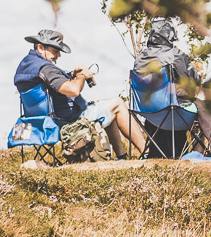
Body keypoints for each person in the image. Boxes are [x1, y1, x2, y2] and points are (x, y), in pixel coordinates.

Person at [14, 28, 146, 159]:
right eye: (55, 51)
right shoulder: (45, 67)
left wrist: (72, 74)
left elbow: (52, 82)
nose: (58, 55)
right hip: (66, 120)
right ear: (41, 47)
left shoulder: (26, 65)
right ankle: (146, 152)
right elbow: (73, 90)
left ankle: (122, 157)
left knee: (108, 111)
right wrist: (82, 75)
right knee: (117, 104)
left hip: (39, 120)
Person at [132, 19, 211, 153]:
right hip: (174, 112)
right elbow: (193, 82)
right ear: (171, 35)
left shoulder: (140, 58)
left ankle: (200, 151)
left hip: (147, 112)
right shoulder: (175, 55)